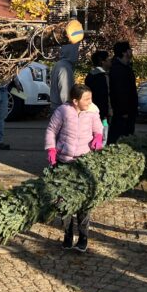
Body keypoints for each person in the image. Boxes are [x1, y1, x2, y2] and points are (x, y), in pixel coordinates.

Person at [44, 84, 104, 253]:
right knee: (64, 201)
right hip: (64, 162)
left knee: (84, 203)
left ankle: (83, 236)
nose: (90, 101)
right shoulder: (63, 111)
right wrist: (51, 149)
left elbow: (98, 128)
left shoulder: (93, 111)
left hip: (84, 163)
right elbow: (51, 130)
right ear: (75, 101)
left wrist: (98, 137)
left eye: (90, 98)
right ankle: (68, 235)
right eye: (86, 99)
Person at [108, 41, 138, 142]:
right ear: (124, 52)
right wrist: (124, 111)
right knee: (119, 136)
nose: (131, 51)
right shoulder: (118, 69)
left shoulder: (125, 67)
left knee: (125, 135)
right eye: (129, 49)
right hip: (122, 112)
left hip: (128, 111)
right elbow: (119, 92)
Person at [49, 43, 79, 111]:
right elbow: (65, 93)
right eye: (76, 51)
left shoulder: (59, 64)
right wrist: (70, 110)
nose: (78, 54)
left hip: (56, 107)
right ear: (71, 52)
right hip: (62, 109)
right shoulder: (65, 67)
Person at [84, 50, 111, 124]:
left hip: (96, 112)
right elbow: (103, 96)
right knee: (104, 131)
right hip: (102, 114)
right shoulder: (100, 77)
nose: (110, 61)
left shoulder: (91, 75)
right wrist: (105, 113)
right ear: (103, 62)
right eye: (108, 59)